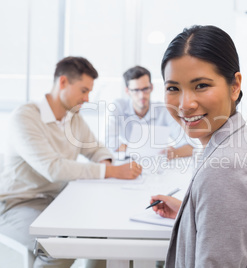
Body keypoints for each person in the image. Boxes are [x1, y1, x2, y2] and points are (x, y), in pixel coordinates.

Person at [150, 25, 247, 267]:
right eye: (173, 88)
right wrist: (190, 212)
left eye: (201, 85)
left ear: (234, 86)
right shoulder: (236, 139)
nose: (185, 104)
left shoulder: (227, 168)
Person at [0, 56, 142, 267]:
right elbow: (53, 168)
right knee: (58, 249)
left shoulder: (72, 117)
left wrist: (105, 161)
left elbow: (95, 148)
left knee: (101, 232)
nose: (87, 98)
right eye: (84, 90)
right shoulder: (25, 117)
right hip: (20, 204)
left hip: (59, 200)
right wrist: (113, 172)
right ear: (63, 82)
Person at [106, 65, 193, 159]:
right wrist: (141, 150)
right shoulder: (117, 107)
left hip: (156, 162)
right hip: (127, 161)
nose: (142, 95)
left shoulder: (164, 110)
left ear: (151, 87)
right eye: (136, 90)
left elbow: (190, 145)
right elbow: (109, 142)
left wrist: (173, 152)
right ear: (127, 91)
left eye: (145, 89)